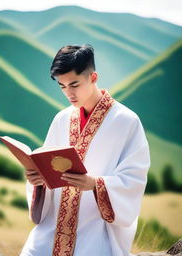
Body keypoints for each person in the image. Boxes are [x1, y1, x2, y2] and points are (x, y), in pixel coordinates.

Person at [20, 44, 150, 256]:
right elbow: (48, 165)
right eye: (62, 86)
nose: (69, 94)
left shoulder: (126, 121)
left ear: (93, 77)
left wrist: (95, 184)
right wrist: (39, 181)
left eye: (74, 84)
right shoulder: (62, 118)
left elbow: (134, 180)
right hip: (52, 229)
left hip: (97, 230)